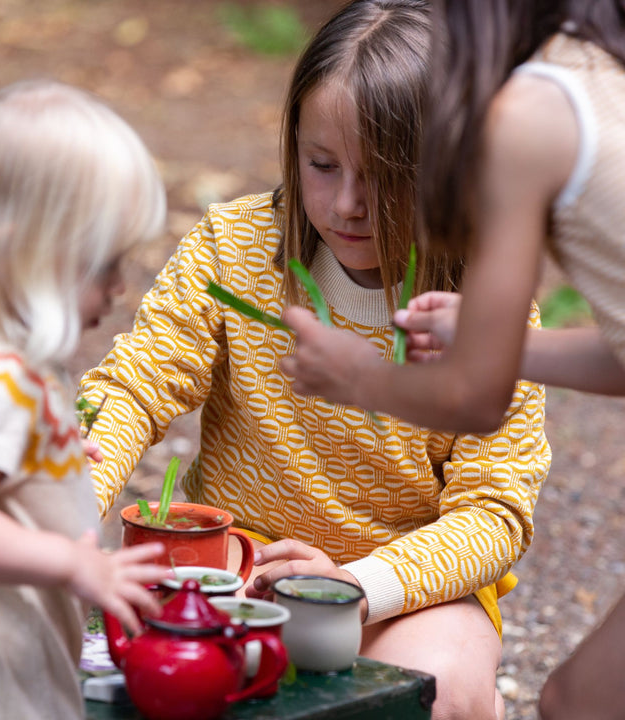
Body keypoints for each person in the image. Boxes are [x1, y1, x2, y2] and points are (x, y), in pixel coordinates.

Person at [79, 2, 551, 719]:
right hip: (242, 569)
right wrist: (72, 494)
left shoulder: (489, 304)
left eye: (387, 177)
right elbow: (135, 384)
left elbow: (494, 512)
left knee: (435, 685)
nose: (348, 204)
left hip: (400, 592)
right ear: (293, 141)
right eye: (322, 165)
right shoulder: (231, 250)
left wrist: (358, 586)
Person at [278, 1, 625, 718]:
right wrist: (510, 345)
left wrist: (355, 376)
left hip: (407, 601)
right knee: (574, 702)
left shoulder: (528, 115)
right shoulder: (601, 73)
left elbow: (478, 402)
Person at [0, 79, 173, 720]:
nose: (118, 285)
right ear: (15, 245)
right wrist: (78, 565)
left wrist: (32, 458)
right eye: (103, 261)